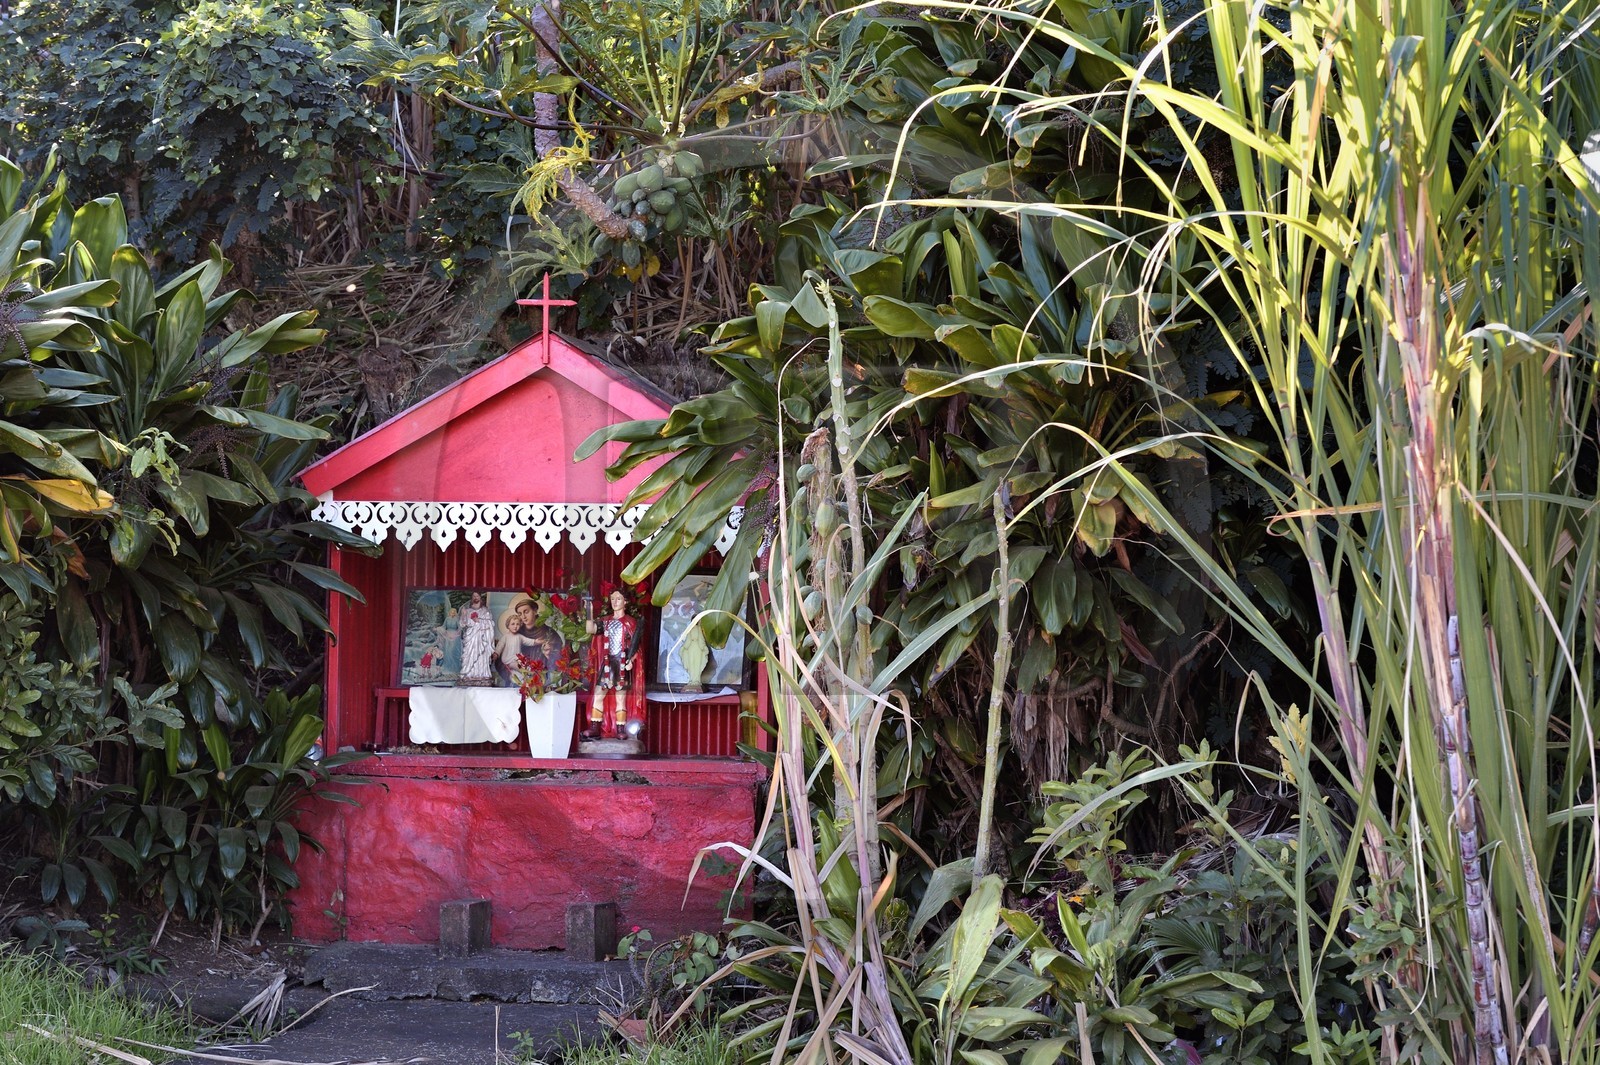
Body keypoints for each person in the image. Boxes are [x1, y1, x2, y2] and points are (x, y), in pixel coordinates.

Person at [584, 587, 645, 740]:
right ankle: (594, 727)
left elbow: (636, 646)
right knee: (599, 695)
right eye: (612, 599)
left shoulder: (631, 623)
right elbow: (590, 629)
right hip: (607, 662)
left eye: (618, 599)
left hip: (622, 662)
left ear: (625, 602)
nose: (615, 602)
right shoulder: (606, 622)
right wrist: (588, 612)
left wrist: (631, 660)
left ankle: (620, 729)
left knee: (620, 698)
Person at [458, 591, 497, 684]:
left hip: (482, 638)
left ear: (480, 598)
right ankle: (468, 674)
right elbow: (462, 624)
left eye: (477, 596)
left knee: (481, 655)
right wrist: (463, 615)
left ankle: (482, 674)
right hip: (470, 637)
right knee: (469, 654)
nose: (475, 598)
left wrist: (478, 620)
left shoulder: (485, 611)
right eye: (474, 596)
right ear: (472, 598)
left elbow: (490, 624)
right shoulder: (468, 611)